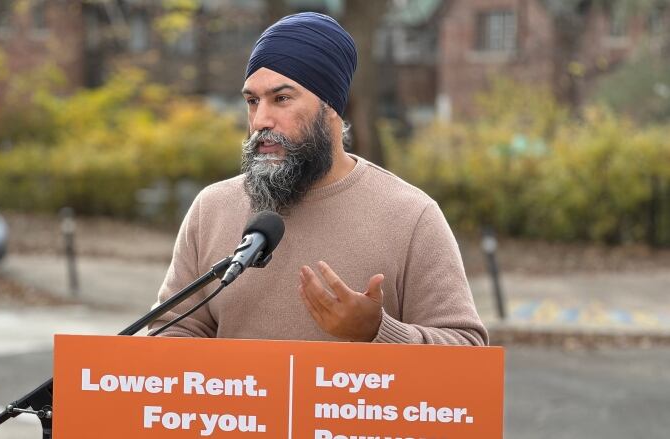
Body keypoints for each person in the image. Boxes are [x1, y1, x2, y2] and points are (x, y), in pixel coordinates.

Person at [150, 12, 487, 346]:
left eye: (281, 99)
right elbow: (171, 330)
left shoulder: (411, 216)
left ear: (332, 109)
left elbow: (466, 350)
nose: (261, 120)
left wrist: (378, 333)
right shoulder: (212, 208)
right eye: (253, 101)